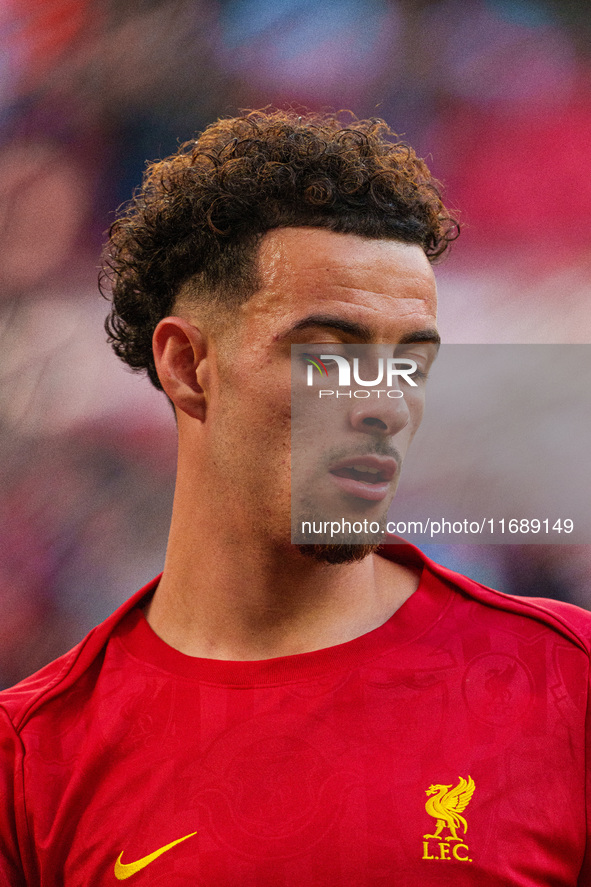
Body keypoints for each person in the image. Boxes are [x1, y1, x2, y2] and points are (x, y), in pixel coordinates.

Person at [0, 109, 589, 886]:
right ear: (186, 364)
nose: (383, 401)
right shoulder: (33, 754)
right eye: (329, 350)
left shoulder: (563, 684)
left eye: (409, 357)